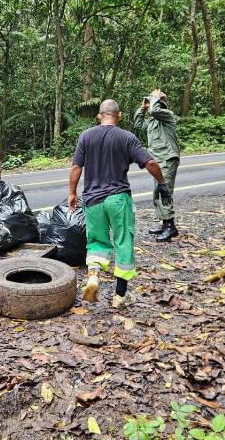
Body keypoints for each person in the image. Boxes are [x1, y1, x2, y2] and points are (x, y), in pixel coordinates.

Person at [69, 99, 169, 308]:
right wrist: (161, 182)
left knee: (96, 241)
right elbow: (149, 162)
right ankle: (120, 295)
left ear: (99, 115)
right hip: (118, 198)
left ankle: (94, 276)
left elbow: (76, 167)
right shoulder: (127, 137)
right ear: (119, 115)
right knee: (123, 241)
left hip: (93, 200)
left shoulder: (86, 136)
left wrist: (72, 193)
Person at [133, 88, 180, 241]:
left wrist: (155, 98)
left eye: (151, 102)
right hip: (157, 160)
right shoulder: (152, 121)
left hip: (167, 159)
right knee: (158, 192)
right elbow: (138, 123)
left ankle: (170, 227)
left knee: (165, 192)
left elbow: (154, 111)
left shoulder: (167, 116)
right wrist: (142, 107)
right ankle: (165, 224)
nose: (149, 105)